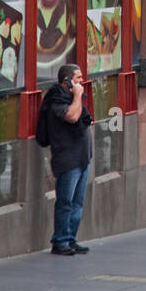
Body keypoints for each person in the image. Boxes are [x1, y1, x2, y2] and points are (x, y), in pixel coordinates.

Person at [41, 64, 93, 254]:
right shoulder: (57, 100)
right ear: (67, 81)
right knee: (66, 202)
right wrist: (78, 95)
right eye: (78, 78)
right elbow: (72, 117)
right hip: (67, 160)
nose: (82, 81)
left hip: (82, 158)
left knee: (77, 203)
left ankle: (71, 238)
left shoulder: (72, 98)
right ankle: (60, 241)